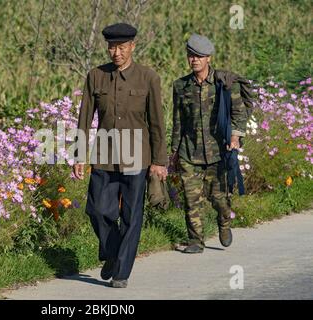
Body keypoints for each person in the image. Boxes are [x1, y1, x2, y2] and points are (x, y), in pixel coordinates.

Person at [73, 23, 168, 288]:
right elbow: (84, 118)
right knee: (97, 210)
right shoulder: (96, 76)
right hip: (104, 155)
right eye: (112, 47)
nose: (116, 53)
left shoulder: (148, 78)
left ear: (132, 47)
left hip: (137, 156)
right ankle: (113, 253)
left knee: (131, 216)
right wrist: (79, 154)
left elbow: (157, 122)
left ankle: (121, 272)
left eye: (122, 47)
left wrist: (159, 161)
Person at [171, 33, 248, 254]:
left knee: (219, 199)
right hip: (189, 151)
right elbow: (178, 121)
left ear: (208, 58)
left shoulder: (223, 84)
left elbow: (238, 113)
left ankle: (224, 223)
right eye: (191, 56)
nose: (194, 60)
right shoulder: (180, 86)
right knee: (191, 200)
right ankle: (196, 241)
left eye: (199, 56)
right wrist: (174, 151)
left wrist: (235, 137)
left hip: (218, 153)